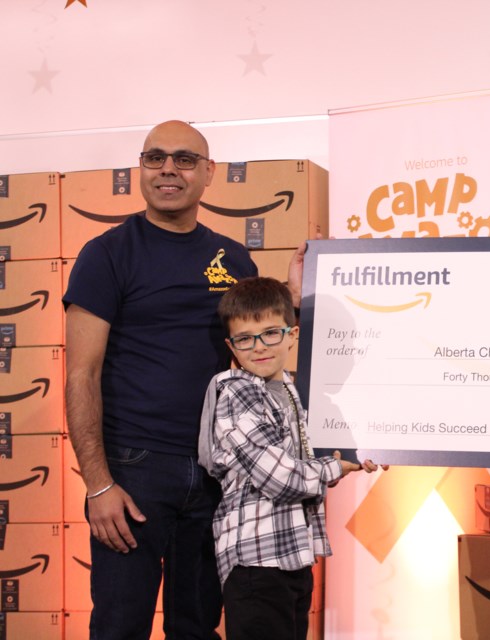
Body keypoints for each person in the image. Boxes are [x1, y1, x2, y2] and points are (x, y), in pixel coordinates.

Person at [63, 120, 306, 639]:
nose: (168, 169)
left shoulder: (233, 257)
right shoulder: (107, 254)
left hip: (218, 470)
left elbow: (259, 339)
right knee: (119, 625)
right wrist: (98, 483)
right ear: (141, 169)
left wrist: (292, 295)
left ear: (208, 173)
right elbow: (80, 374)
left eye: (184, 159)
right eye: (155, 158)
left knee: (197, 625)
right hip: (134, 471)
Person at [196, 276, 379, 640]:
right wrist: (333, 467)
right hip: (256, 561)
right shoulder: (237, 392)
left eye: (271, 334)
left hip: (292, 557)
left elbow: (317, 449)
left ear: (292, 334)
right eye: (245, 339)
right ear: (231, 345)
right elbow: (278, 477)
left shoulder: (293, 391)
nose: (259, 347)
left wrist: (369, 454)